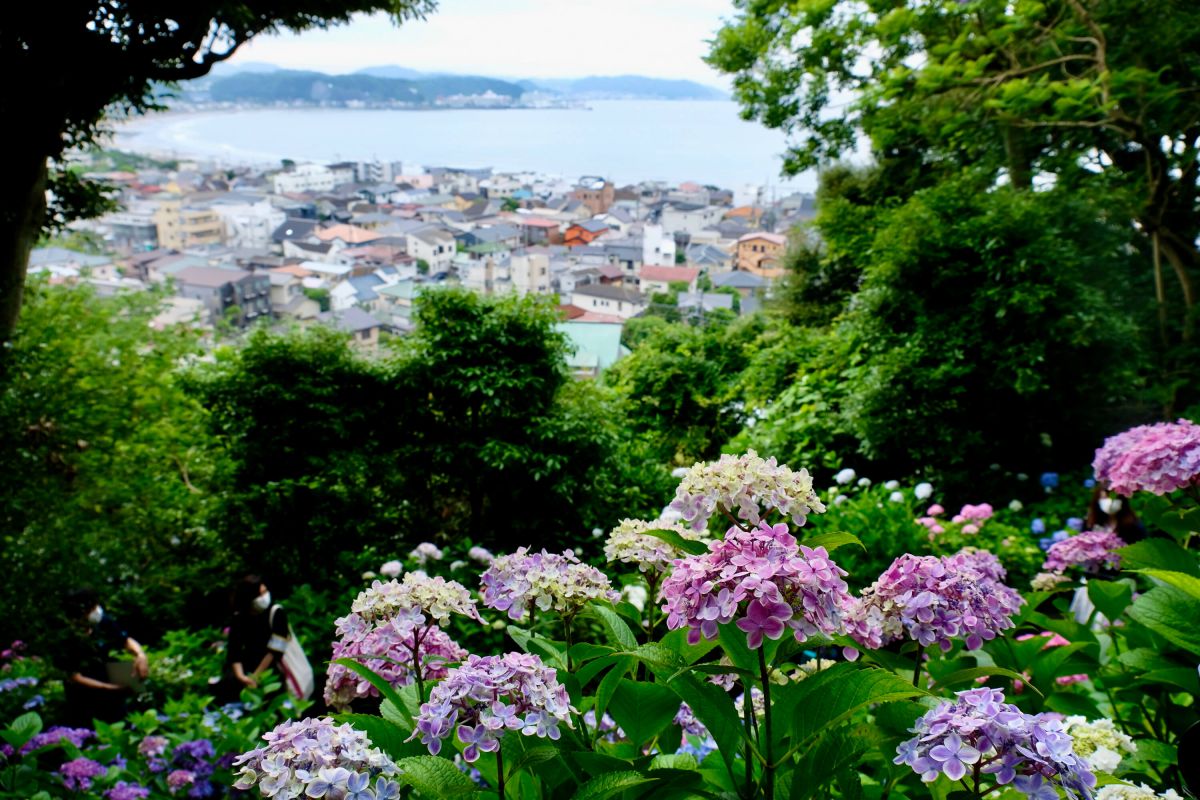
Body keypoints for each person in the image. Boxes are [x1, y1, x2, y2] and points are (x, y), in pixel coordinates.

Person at [63, 588, 149, 726]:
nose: (96, 610)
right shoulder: (65, 636)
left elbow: (125, 641)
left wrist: (140, 655)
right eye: (92, 608)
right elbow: (74, 676)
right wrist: (110, 688)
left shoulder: (102, 623)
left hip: (112, 686)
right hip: (84, 699)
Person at [222, 575, 290, 701]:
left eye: (265, 592)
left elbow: (275, 650)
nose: (264, 597)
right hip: (245, 670)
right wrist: (241, 676)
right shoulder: (239, 617)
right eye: (260, 594)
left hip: (269, 671)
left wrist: (256, 676)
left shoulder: (276, 613)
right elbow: (234, 650)